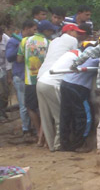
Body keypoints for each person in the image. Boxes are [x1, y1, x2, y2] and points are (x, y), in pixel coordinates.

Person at [36, 23, 86, 151]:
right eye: (76, 32)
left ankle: (48, 143)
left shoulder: (54, 41)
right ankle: (58, 145)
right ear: (69, 32)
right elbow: (77, 61)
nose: (79, 36)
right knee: (59, 116)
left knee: (45, 116)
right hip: (53, 80)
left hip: (42, 76)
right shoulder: (72, 42)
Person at [60, 37, 100, 152]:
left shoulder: (84, 55)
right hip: (77, 88)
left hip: (65, 84)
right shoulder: (97, 59)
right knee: (84, 116)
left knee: (66, 115)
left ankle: (64, 144)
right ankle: (80, 144)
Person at [6, 19, 37, 138]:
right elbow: (9, 57)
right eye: (33, 29)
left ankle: (34, 128)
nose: (35, 32)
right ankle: (26, 129)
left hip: (32, 76)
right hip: (20, 76)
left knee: (32, 104)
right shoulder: (14, 41)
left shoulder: (33, 41)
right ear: (26, 29)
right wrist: (19, 47)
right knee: (24, 105)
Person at [0, 24, 9, 122]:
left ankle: (3, 110)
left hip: (4, 68)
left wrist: (9, 76)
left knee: (5, 91)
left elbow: (8, 60)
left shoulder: (7, 40)